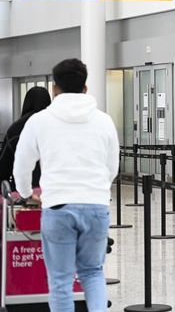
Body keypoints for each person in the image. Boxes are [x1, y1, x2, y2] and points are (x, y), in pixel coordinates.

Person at [13, 58, 120, 312]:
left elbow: (22, 164)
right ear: (85, 88)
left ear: (54, 88)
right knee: (93, 273)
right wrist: (96, 189)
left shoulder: (40, 121)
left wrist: (27, 193)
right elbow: (112, 167)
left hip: (58, 206)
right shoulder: (103, 120)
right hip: (96, 205)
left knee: (60, 280)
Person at [0, 86, 51, 192]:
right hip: (52, 193)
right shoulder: (56, 126)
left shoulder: (15, 129)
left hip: (22, 195)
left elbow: (3, 167)